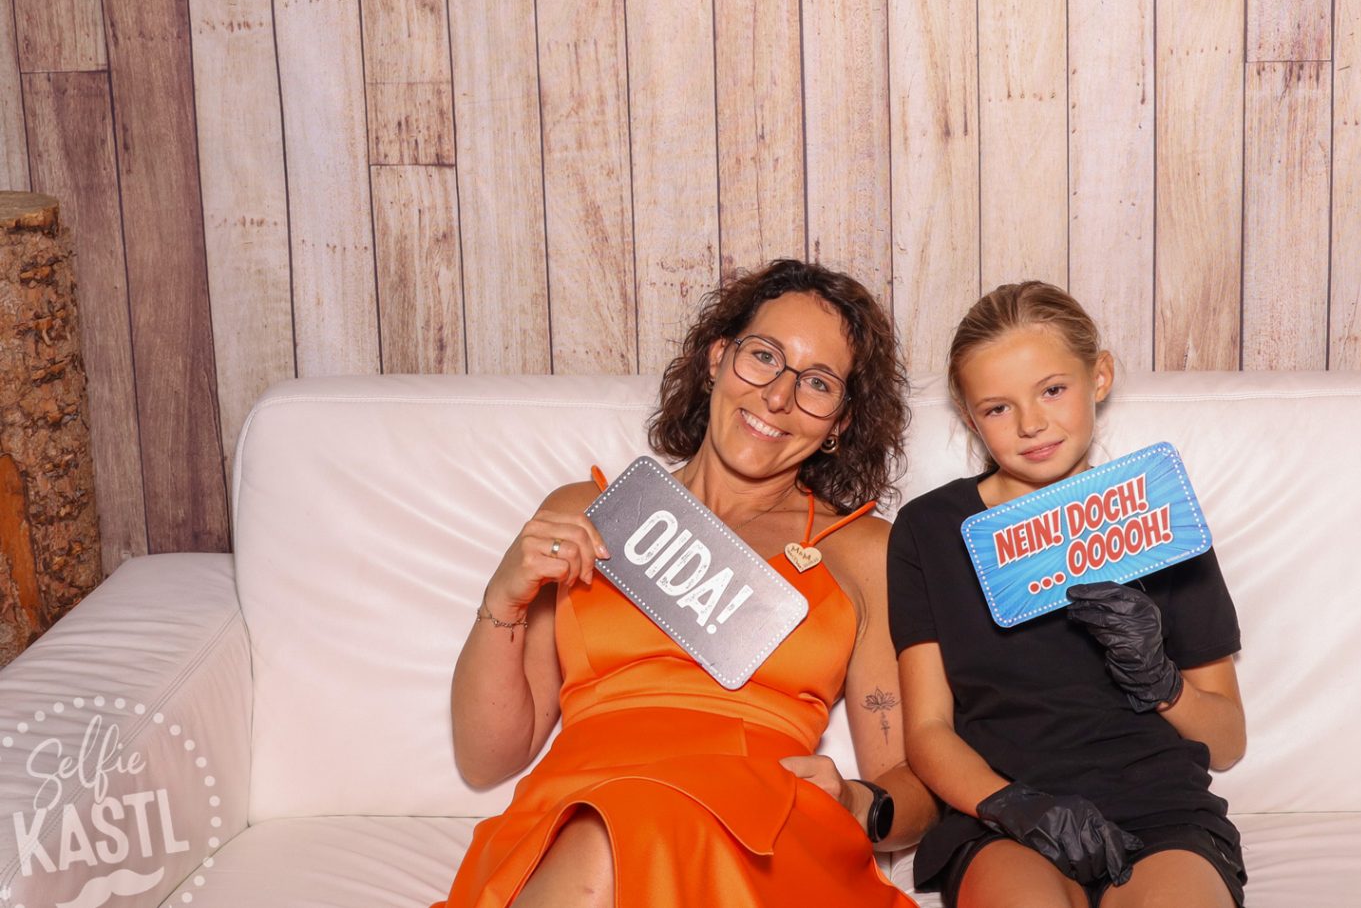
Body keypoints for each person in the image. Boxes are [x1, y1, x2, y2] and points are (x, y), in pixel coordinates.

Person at [434, 259, 933, 908]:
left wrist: (860, 801)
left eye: (817, 383)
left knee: (626, 826)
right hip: (578, 810)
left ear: (839, 421)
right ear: (718, 359)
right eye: (763, 357)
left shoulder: (863, 552)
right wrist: (504, 596)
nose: (777, 398)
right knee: (612, 824)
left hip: (756, 834)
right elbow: (486, 758)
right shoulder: (588, 511)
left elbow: (913, 777)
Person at [887, 281, 1248, 908]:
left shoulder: (1157, 515)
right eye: (997, 408)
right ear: (969, 416)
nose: (1031, 424)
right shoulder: (930, 530)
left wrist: (1160, 681)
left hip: (1161, 812)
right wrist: (1008, 805)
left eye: (1052, 390)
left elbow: (1227, 741)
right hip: (1005, 815)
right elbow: (927, 729)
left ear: (1099, 377)